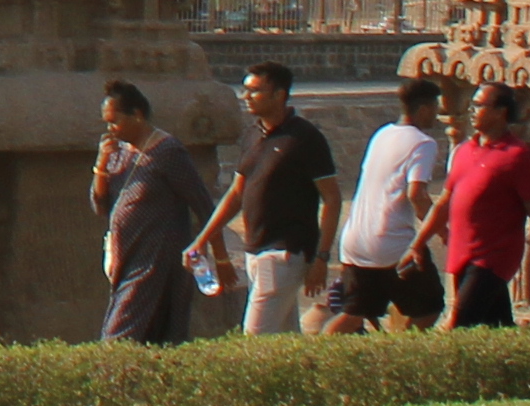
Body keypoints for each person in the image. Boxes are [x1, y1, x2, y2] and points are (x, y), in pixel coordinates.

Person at [195, 61, 332, 336]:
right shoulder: (253, 135)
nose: (246, 97)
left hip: (283, 252)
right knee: (283, 339)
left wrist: (322, 258)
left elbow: (332, 199)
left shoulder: (305, 138)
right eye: (245, 90)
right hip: (255, 251)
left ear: (279, 94)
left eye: (255, 91)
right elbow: (236, 193)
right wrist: (202, 239)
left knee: (254, 339)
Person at [320, 75, 451, 333]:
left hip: (355, 240)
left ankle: (315, 357)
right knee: (429, 308)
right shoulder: (423, 143)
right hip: (391, 243)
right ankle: (401, 357)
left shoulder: (382, 134)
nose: (437, 114)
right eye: (436, 107)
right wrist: (443, 232)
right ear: (424, 108)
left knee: (353, 314)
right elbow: (417, 195)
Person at [91, 79, 217, 345]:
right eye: (106, 123)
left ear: (136, 114)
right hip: (127, 258)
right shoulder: (119, 153)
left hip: (157, 261)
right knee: (150, 340)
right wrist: (101, 165)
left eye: (114, 121)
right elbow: (100, 205)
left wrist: (221, 258)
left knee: (118, 337)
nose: (110, 129)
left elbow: (204, 205)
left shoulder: (168, 153)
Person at [441, 89, 530, 328]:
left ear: (501, 112)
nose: (473, 110)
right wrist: (417, 244)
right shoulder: (465, 150)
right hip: (462, 254)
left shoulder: (517, 156)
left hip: (492, 257)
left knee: (457, 324)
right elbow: (443, 202)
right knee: (496, 325)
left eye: (480, 105)